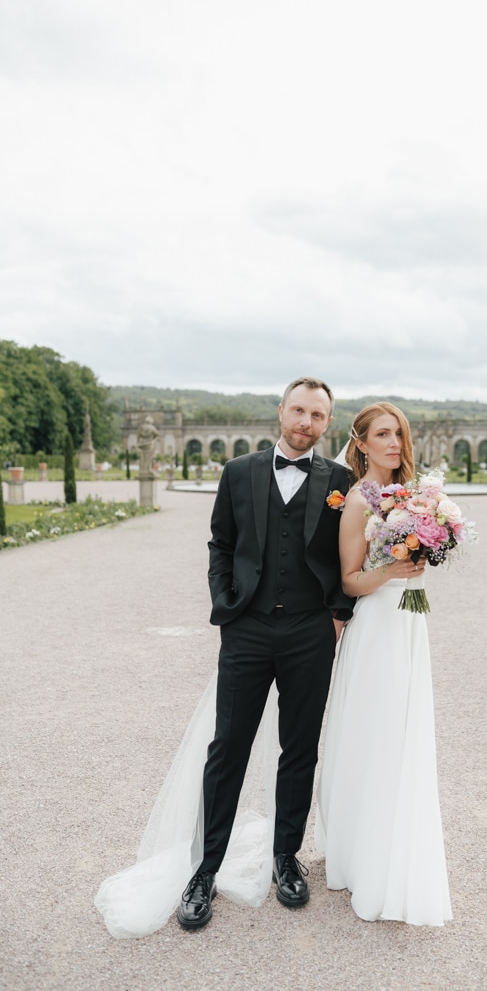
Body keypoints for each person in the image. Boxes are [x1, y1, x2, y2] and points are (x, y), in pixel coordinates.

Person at [95, 377, 353, 937]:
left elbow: (347, 550)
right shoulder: (239, 472)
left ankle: (286, 858)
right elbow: (221, 544)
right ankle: (204, 869)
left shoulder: (341, 481)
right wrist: (226, 606)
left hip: (310, 632)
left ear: (328, 423)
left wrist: (337, 613)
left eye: (317, 415)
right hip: (248, 630)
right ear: (281, 411)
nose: (306, 422)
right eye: (299, 410)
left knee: (299, 748)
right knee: (227, 747)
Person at [315, 402, 453, 926]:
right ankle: (362, 852)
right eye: (383, 434)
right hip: (376, 626)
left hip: (410, 622)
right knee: (374, 732)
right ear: (362, 443)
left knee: (404, 733)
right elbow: (350, 580)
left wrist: (427, 550)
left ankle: (397, 841)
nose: (394, 443)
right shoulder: (357, 500)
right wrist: (394, 570)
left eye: (399, 434)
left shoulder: (416, 496)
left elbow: (418, 561)